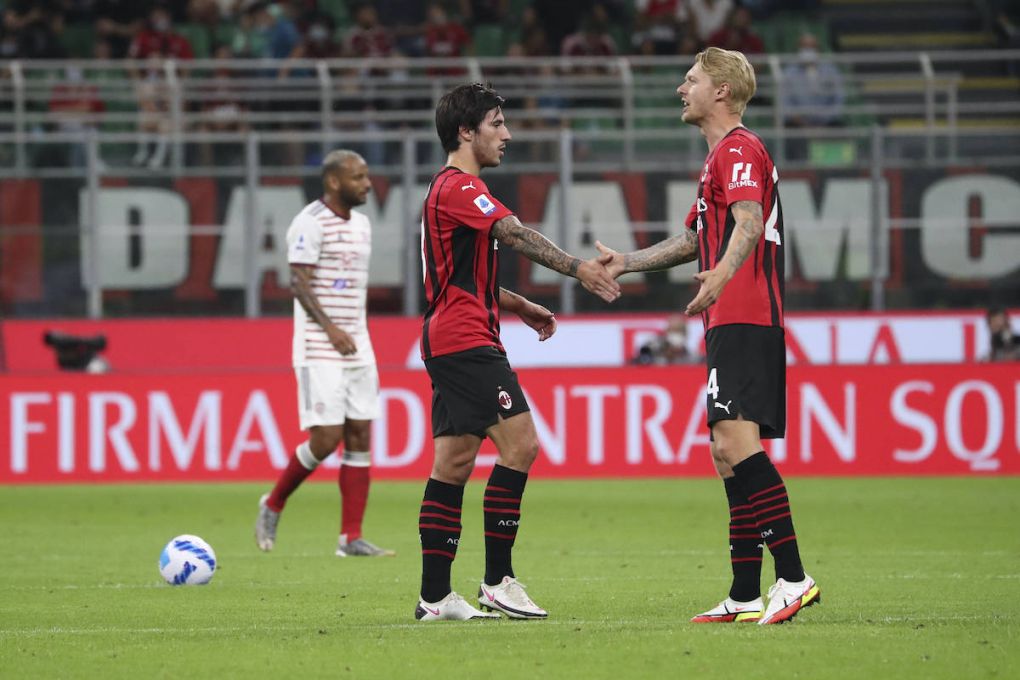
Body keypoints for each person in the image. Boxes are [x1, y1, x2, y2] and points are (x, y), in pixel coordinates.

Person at [595, 47, 820, 625]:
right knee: (725, 451)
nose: (680, 88)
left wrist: (723, 273)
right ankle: (746, 592)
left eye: (690, 80)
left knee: (736, 441)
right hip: (730, 317)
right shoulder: (718, 157)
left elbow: (746, 220)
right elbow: (695, 239)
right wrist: (628, 261)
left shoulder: (741, 148)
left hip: (745, 312)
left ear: (721, 90)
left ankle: (793, 578)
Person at [414, 82, 620, 621]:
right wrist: (580, 268)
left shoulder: (445, 192)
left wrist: (518, 303)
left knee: (454, 463)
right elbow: (517, 233)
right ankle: (498, 580)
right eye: (497, 123)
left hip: (452, 334)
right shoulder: (460, 188)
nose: (507, 134)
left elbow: (454, 279)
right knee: (521, 444)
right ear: (466, 131)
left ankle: (434, 597)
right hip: (466, 341)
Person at [255, 150, 395, 559]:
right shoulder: (309, 223)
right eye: (358, 177)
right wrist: (331, 329)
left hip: (357, 343)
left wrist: (351, 331)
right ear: (334, 182)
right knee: (326, 437)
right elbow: (298, 283)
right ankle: (274, 502)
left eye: (368, 175)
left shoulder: (364, 225)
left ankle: (350, 538)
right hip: (319, 346)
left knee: (360, 434)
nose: (367, 184)